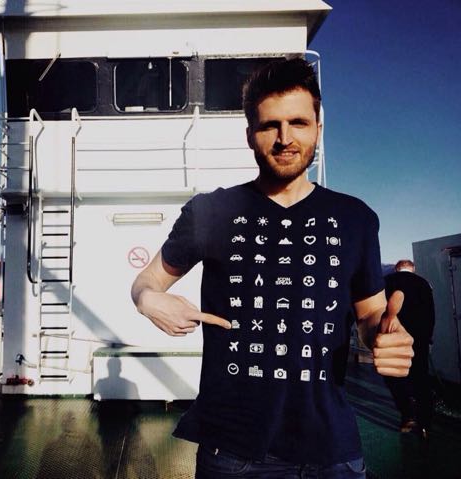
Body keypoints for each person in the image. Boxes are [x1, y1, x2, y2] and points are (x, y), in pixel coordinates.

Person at [131, 58, 414, 478]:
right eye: (270, 126)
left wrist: (385, 336)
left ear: (318, 128)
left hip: (332, 451)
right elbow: (147, 281)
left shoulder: (355, 218)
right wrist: (148, 299)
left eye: (298, 122)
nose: (285, 138)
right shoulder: (211, 212)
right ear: (250, 135)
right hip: (233, 452)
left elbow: (371, 312)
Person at [383, 259, 435, 438]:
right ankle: (425, 424)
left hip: (394, 338)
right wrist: (428, 337)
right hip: (419, 339)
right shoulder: (423, 283)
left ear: (396, 269)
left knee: (395, 377)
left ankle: (407, 416)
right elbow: (430, 314)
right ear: (413, 269)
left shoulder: (387, 282)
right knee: (421, 378)